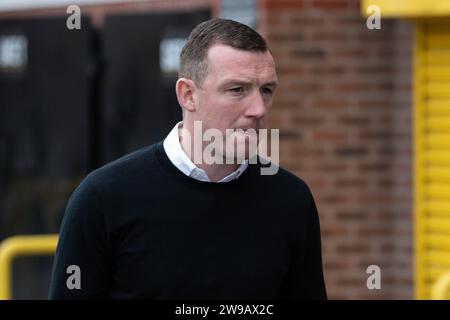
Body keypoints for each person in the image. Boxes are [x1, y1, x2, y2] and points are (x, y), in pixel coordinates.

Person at [49, 18, 327, 299]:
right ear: (188, 95)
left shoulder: (290, 200)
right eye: (236, 90)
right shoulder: (103, 198)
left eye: (266, 90)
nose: (258, 108)